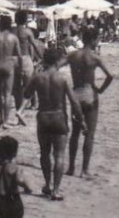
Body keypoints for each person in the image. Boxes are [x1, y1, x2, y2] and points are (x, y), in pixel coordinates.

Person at [24, 45, 82, 200]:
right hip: (58, 116)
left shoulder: (38, 77)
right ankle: (56, 190)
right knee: (59, 155)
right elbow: (74, 101)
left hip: (43, 116)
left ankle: (48, 185)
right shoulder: (62, 78)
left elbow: (26, 94)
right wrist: (80, 119)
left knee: (44, 153)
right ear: (57, 61)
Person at [66, 25, 114, 177]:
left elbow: (57, 65)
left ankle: (71, 167)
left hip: (76, 96)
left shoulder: (73, 56)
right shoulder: (95, 57)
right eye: (97, 39)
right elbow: (110, 75)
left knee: (74, 133)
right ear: (93, 40)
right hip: (90, 95)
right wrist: (100, 90)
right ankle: (84, 170)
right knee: (89, 135)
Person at [0, 15, 21, 127]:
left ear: (0, 25)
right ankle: (6, 121)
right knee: (7, 94)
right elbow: (19, 55)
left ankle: (0, 118)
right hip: (9, 64)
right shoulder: (13, 38)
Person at [12, 10, 41, 117]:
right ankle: (23, 110)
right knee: (29, 86)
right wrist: (42, 58)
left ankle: (18, 109)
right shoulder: (28, 32)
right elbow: (34, 46)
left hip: (13, 59)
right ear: (25, 20)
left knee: (16, 88)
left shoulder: (11, 31)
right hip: (25, 58)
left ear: (15, 19)